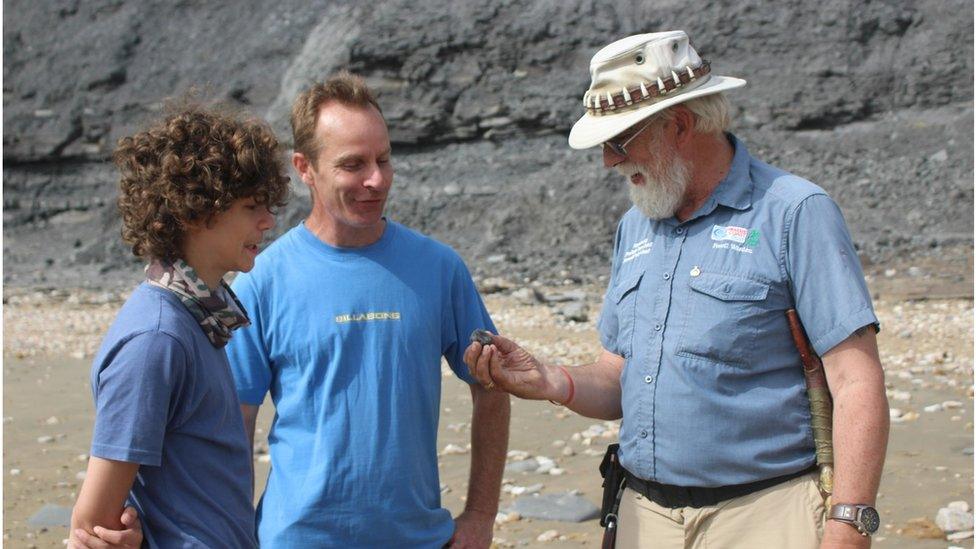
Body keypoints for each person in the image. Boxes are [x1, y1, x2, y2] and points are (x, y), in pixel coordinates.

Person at [465, 31, 889, 549]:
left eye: (619, 141)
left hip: (764, 518)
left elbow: (856, 382)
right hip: (643, 517)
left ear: (681, 125)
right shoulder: (636, 227)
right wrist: (552, 380)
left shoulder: (794, 212)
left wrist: (847, 525)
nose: (608, 161)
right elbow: (619, 374)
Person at [226, 72, 510, 547]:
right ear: (304, 167)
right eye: (353, 164)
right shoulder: (261, 281)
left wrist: (480, 515)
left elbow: (493, 386)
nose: (375, 180)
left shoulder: (439, 268)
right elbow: (234, 428)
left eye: (383, 159)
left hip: (419, 538)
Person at [70, 105, 290, 548]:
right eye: (250, 206)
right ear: (192, 212)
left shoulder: (199, 318)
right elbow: (91, 528)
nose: (268, 221)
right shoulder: (157, 339)